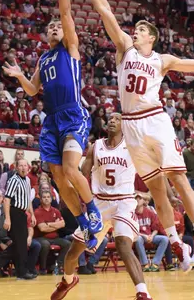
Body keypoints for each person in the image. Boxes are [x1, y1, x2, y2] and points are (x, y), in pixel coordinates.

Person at [71, 0, 194, 270]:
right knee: (156, 189)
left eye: (140, 30)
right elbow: (104, 11)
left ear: (150, 37)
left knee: (178, 178)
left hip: (154, 119)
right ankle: (176, 242)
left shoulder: (163, 60)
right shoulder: (125, 48)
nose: (134, 32)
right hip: (131, 127)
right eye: (134, 30)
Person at [3, 0, 102, 249]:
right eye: (51, 27)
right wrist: (20, 75)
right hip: (52, 120)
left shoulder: (70, 48)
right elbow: (34, 90)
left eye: (58, 25)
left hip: (73, 115)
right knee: (59, 178)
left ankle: (93, 212)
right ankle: (84, 226)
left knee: (72, 170)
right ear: (46, 36)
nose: (56, 27)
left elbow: (66, 10)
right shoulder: (44, 58)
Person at [52, 113, 150, 300]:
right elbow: (82, 175)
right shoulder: (96, 147)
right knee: (73, 252)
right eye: (110, 118)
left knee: (123, 244)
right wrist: (70, 193)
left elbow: (151, 169)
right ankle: (68, 280)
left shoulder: (132, 146)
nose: (112, 121)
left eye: (117, 119)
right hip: (98, 205)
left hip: (124, 202)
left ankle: (142, 292)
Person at [3, 159, 37, 280]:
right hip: (14, 212)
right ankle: (22, 272)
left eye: (25, 166)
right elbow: (6, 199)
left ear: (28, 168)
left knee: (20, 244)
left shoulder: (27, 180)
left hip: (23, 213)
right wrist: (7, 219)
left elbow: (28, 200)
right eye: (20, 166)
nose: (23, 168)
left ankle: (19, 271)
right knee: (20, 244)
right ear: (16, 168)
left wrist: (32, 214)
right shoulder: (14, 180)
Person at [34, 190, 71, 274]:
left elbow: (63, 224)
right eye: (44, 197)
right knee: (45, 245)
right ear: (41, 199)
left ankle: (56, 266)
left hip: (55, 237)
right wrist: (56, 224)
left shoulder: (56, 211)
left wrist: (49, 224)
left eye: (48, 197)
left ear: (51, 199)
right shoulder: (37, 212)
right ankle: (43, 268)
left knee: (68, 244)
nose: (46, 199)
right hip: (41, 237)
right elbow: (42, 229)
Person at [134, 193, 172, 272]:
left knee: (164, 239)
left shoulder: (149, 212)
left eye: (139, 198)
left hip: (149, 236)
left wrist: (151, 235)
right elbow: (133, 230)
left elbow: (156, 228)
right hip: (138, 236)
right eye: (136, 198)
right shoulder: (131, 213)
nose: (137, 200)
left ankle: (155, 263)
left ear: (144, 201)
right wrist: (144, 235)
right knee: (138, 239)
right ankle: (145, 264)